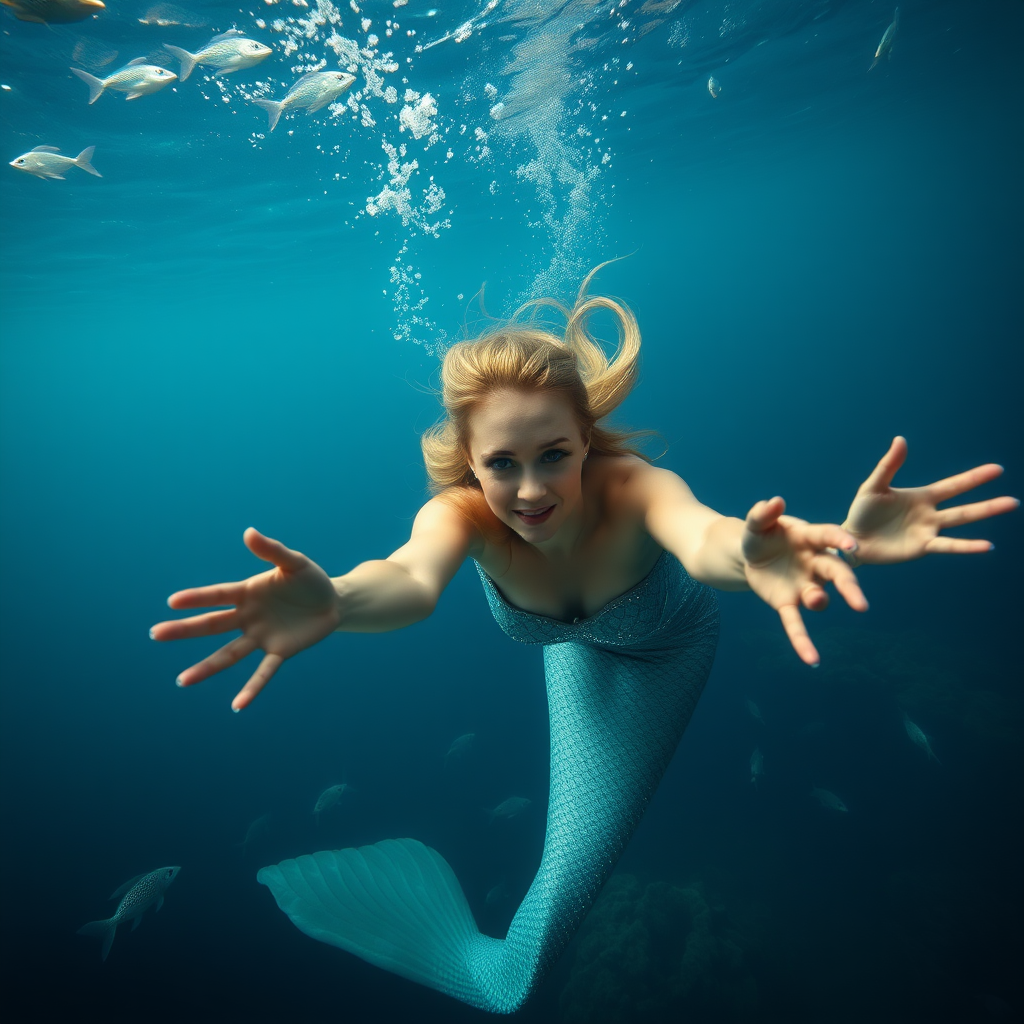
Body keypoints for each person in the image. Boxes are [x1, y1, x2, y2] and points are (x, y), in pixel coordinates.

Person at [151, 267, 1016, 1013]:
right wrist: (336, 601)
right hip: (568, 652)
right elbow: (408, 580)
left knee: (526, 960)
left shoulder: (635, 487)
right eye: (501, 464)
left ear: (586, 442)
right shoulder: (458, 515)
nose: (530, 491)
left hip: (661, 653)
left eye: (555, 455)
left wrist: (754, 557)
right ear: (469, 458)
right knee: (512, 985)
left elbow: (706, 538)